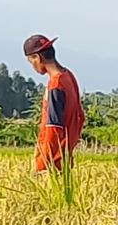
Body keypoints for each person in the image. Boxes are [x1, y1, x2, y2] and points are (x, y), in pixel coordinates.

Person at [23, 34, 85, 173]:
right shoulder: (69, 76)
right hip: (65, 160)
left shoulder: (56, 85)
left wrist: (42, 165)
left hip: (52, 164)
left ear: (37, 58)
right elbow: (80, 117)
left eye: (30, 61)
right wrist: (68, 150)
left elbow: (53, 128)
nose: (32, 66)